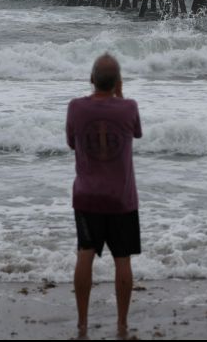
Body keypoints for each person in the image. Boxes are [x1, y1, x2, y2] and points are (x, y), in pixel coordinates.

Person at [66, 53, 142, 338]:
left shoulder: (76, 108)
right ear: (118, 82)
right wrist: (120, 97)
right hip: (122, 199)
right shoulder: (128, 107)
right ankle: (122, 323)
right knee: (122, 259)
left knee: (84, 254)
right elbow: (136, 132)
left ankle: (82, 323)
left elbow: (72, 142)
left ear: (91, 79)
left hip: (86, 198)